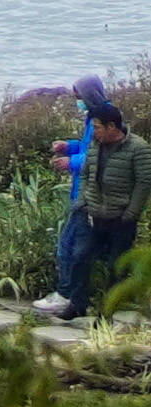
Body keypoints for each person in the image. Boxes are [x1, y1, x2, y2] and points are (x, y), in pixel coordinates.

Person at [69, 81, 144, 322]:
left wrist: (130, 214)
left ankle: (107, 312)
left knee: (116, 267)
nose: (96, 132)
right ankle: (77, 304)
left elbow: (144, 184)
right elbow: (86, 174)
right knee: (80, 258)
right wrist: (82, 202)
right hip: (94, 215)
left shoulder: (138, 149)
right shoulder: (95, 145)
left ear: (112, 127)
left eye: (99, 128)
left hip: (120, 219)